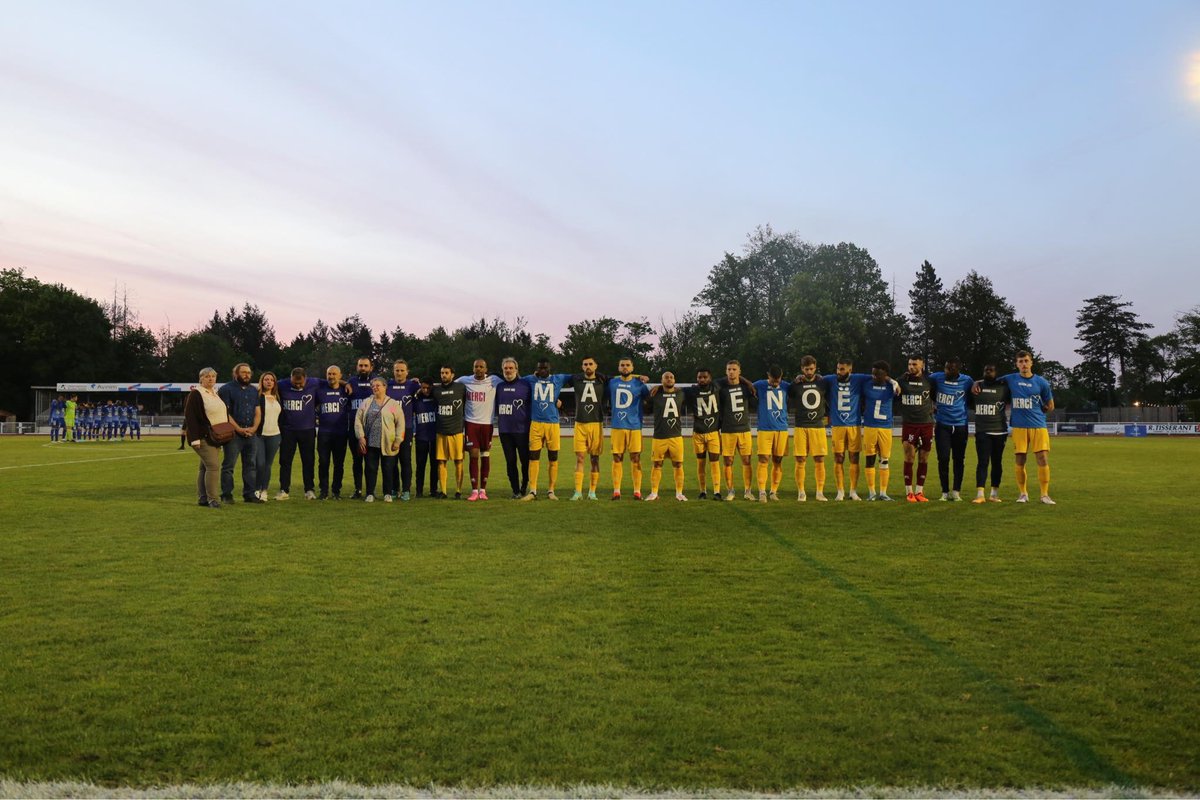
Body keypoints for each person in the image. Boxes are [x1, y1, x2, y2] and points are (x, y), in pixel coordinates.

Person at [984, 351, 1056, 504]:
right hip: (1019, 426)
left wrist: (1042, 410)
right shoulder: (1010, 379)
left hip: (1038, 426)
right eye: (1020, 361)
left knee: (1042, 458)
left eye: (1026, 361)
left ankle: (1044, 495)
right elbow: (989, 381)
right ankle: (1023, 494)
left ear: (1031, 363)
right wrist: (977, 383)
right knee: (1020, 459)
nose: (1024, 364)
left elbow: (1050, 405)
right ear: (1016, 364)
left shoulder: (1041, 382)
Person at [520, 359, 571, 501]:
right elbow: (515, 380)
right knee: (533, 457)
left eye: (545, 368)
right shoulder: (530, 379)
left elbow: (577, 377)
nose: (542, 370)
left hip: (552, 424)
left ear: (550, 368)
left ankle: (551, 491)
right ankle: (533, 491)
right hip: (536, 424)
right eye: (539, 368)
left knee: (553, 458)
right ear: (536, 369)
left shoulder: (558, 379)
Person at [183, 367, 232, 508]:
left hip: (216, 436)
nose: (210, 379)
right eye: (207, 376)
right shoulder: (196, 394)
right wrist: (195, 439)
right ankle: (213, 499)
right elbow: (190, 417)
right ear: (201, 378)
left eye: (213, 376)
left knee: (204, 468)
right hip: (204, 436)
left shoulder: (214, 393)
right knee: (213, 467)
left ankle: (203, 498)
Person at [456, 358, 502, 501]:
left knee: (485, 456)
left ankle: (483, 490)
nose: (479, 369)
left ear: (486, 369)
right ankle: (474, 490)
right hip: (471, 424)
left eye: (482, 367)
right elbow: (449, 385)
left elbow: (511, 381)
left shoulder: (494, 380)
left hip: (487, 424)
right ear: (473, 368)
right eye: (476, 367)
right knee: (473, 455)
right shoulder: (465, 380)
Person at [825, 359, 872, 501]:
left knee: (854, 458)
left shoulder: (858, 378)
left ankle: (853, 491)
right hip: (837, 426)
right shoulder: (830, 379)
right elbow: (815, 378)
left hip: (854, 425)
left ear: (850, 370)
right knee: (838, 458)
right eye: (838, 369)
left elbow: (877, 375)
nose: (839, 372)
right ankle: (840, 491)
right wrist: (799, 377)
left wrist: (893, 381)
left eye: (842, 369)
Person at [929, 357, 974, 501]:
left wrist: (978, 383)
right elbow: (923, 382)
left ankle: (956, 491)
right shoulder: (936, 377)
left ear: (958, 369)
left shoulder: (967, 381)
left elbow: (975, 389)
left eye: (951, 368)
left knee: (959, 459)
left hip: (961, 425)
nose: (947, 371)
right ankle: (944, 492)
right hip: (943, 425)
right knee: (943, 458)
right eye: (946, 367)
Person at [355, 377, 405, 502]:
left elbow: (400, 422)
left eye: (378, 385)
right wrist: (360, 436)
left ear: (385, 387)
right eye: (373, 386)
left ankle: (388, 493)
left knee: (388, 468)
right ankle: (370, 493)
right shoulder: (366, 402)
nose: (375, 387)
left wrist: (398, 440)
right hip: (370, 442)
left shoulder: (393, 404)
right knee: (370, 468)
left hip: (388, 442)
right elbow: (358, 421)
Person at [218, 363, 262, 504]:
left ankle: (249, 494)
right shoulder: (226, 389)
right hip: (233, 434)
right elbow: (225, 413)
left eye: (248, 372)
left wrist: (254, 428)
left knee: (250, 465)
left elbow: (257, 411)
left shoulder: (253, 390)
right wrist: (238, 429)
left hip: (251, 434)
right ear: (235, 374)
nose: (246, 375)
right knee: (229, 465)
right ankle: (226, 494)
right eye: (243, 372)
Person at [608, 357, 651, 500]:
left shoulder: (640, 384)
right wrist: (639, 375)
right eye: (622, 365)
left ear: (632, 368)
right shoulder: (612, 382)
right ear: (618, 368)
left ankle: (637, 491)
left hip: (635, 427)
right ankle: (616, 491)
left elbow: (649, 400)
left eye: (627, 365)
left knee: (636, 458)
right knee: (617, 457)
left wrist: (639, 377)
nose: (625, 367)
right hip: (618, 426)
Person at [790, 356, 832, 502]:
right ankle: (801, 492)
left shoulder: (822, 382)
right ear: (802, 369)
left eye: (812, 369)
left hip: (818, 426)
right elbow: (787, 394)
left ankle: (819, 492)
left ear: (815, 367)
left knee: (819, 459)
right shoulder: (795, 384)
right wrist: (795, 379)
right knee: (800, 459)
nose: (809, 371)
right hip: (801, 426)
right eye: (806, 369)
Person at [897, 357, 937, 502]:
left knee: (924, 458)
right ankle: (909, 492)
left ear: (922, 365)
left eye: (914, 364)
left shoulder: (930, 381)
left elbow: (935, 397)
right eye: (909, 364)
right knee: (909, 457)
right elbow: (890, 384)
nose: (911, 367)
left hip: (926, 424)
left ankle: (919, 492)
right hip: (909, 424)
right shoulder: (902, 380)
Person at [277, 367, 320, 500]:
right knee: (285, 461)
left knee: (308, 460)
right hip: (287, 430)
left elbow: (332, 381)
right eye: (295, 382)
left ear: (306, 378)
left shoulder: (314, 382)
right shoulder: (282, 384)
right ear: (290, 378)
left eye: (300, 383)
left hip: (307, 429)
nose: (298, 385)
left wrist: (346, 383)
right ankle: (284, 489)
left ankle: (309, 489)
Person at [568, 357, 608, 501]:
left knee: (595, 459)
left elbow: (622, 377)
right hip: (580, 424)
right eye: (585, 364)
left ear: (596, 366)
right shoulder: (576, 379)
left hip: (596, 424)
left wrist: (639, 377)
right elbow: (556, 381)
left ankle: (592, 492)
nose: (588, 366)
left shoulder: (603, 379)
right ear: (582, 366)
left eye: (591, 364)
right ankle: (578, 492)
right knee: (580, 458)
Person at [646, 371, 687, 501]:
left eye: (671, 377)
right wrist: (658, 387)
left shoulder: (681, 393)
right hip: (659, 436)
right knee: (657, 464)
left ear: (674, 380)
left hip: (676, 436)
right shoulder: (655, 394)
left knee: (678, 464)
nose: (669, 379)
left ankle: (679, 493)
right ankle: (654, 493)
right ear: (661, 380)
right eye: (666, 378)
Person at [970, 364, 1009, 503]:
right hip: (982, 431)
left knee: (997, 463)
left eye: (991, 370)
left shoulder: (1004, 387)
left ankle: (994, 494)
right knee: (982, 462)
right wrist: (976, 382)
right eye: (986, 370)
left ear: (996, 372)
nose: (988, 372)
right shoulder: (976, 388)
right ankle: (980, 494)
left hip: (1000, 431)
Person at [717, 360, 756, 502]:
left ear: (739, 371)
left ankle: (748, 491)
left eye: (734, 369)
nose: (731, 372)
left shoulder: (746, 388)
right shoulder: (721, 387)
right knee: (728, 461)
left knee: (747, 460)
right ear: (725, 371)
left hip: (744, 429)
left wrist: (745, 381)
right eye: (729, 369)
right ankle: (730, 490)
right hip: (728, 430)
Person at [861, 360, 897, 501]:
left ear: (885, 375)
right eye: (873, 373)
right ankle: (872, 492)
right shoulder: (866, 383)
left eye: (878, 374)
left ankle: (883, 492)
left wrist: (892, 381)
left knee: (884, 460)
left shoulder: (891, 386)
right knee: (869, 459)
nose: (874, 377)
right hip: (870, 426)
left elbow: (899, 389)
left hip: (885, 427)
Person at [495, 358, 531, 499]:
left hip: (522, 431)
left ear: (516, 369)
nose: (508, 371)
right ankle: (515, 490)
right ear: (502, 370)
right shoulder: (499, 387)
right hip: (505, 432)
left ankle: (525, 486)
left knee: (525, 461)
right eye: (505, 368)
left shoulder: (526, 385)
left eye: (511, 368)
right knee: (510, 462)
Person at [752, 366, 790, 502]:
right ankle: (762, 491)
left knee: (777, 461)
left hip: (781, 429)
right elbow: (747, 386)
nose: (776, 383)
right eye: (773, 380)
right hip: (764, 429)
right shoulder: (759, 385)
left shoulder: (786, 386)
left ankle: (773, 491)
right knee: (763, 459)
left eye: (778, 380)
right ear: (768, 375)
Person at [684, 368, 722, 500]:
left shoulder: (717, 385)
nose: (702, 379)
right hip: (698, 433)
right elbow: (673, 389)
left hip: (713, 433)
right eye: (699, 377)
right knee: (701, 463)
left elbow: (734, 378)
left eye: (705, 377)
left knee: (714, 462)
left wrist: (749, 383)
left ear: (710, 378)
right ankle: (702, 491)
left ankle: (717, 491)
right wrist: (660, 387)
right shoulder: (692, 390)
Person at [386, 359, 421, 501]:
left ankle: (406, 490)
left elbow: (424, 391)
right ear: (393, 371)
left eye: (402, 370)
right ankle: (395, 488)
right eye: (397, 370)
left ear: (407, 372)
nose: (399, 373)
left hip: (405, 429)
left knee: (405, 460)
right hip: (389, 429)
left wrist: (417, 383)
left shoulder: (412, 386)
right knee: (391, 461)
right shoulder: (387, 385)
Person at [433, 365, 468, 499]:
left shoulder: (460, 387)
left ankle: (458, 491)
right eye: (442, 373)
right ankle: (444, 491)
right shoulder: (435, 390)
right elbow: (425, 390)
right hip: (441, 431)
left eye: (446, 373)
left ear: (452, 374)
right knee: (441, 462)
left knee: (458, 461)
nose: (443, 375)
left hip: (457, 431)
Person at [316, 365, 350, 500]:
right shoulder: (320, 390)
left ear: (340, 376)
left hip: (341, 433)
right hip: (324, 433)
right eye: (329, 374)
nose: (331, 376)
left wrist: (346, 384)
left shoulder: (346, 390)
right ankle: (323, 491)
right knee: (323, 462)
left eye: (334, 374)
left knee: (339, 464)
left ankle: (336, 491)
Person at [345, 357, 377, 499]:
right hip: (354, 429)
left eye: (365, 365)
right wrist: (344, 382)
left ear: (371, 367)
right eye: (360, 366)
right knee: (357, 460)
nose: (363, 368)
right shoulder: (351, 382)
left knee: (371, 461)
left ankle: (371, 491)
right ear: (357, 367)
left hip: (373, 428)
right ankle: (358, 490)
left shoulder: (377, 382)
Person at [254, 372, 282, 502]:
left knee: (268, 465)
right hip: (260, 435)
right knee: (260, 463)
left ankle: (264, 490)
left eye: (271, 380)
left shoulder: (278, 397)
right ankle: (256, 489)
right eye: (266, 379)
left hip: (274, 435)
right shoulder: (257, 396)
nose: (269, 382)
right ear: (262, 381)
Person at [412, 378, 439, 497]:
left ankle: (433, 490)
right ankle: (419, 491)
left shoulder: (436, 400)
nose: (425, 390)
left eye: (428, 387)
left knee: (435, 465)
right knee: (420, 465)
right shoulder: (416, 400)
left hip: (435, 438)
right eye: (423, 387)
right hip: (421, 438)